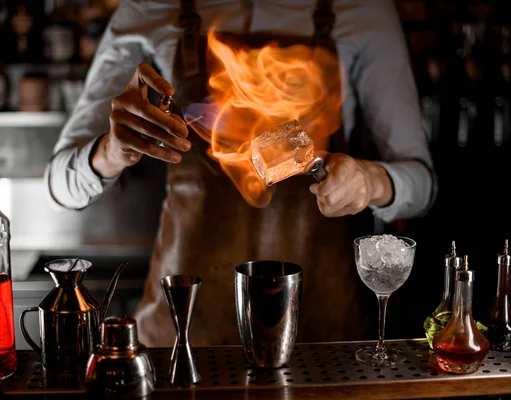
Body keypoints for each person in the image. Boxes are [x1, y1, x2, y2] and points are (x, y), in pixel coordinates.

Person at [45, 0, 437, 347]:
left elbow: (422, 185)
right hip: (184, 335)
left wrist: (370, 181)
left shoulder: (361, 9)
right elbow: (61, 187)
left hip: (318, 339)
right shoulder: (150, 8)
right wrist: (112, 151)